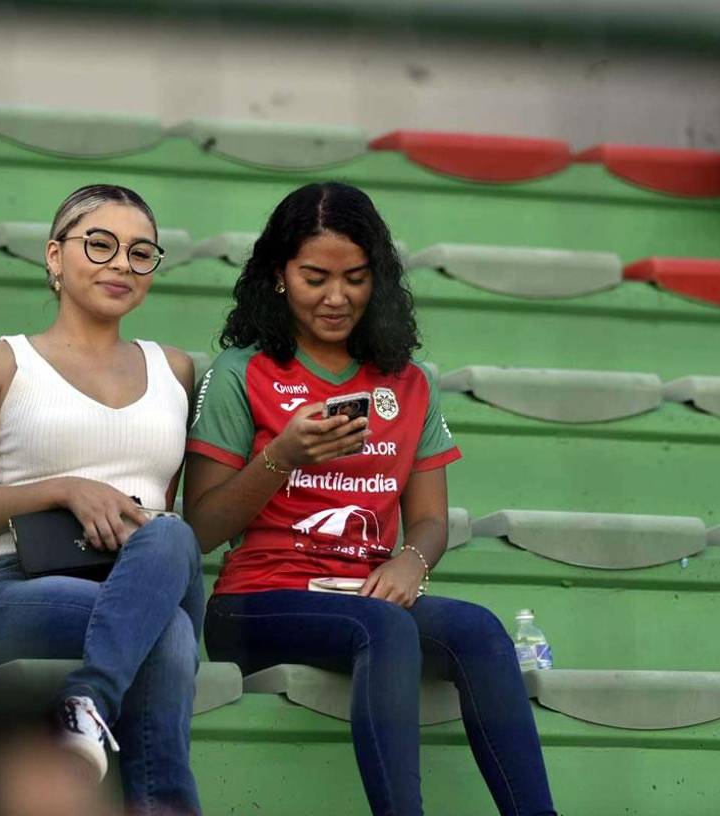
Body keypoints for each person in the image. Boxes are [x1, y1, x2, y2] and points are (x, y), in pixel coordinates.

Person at [183, 182, 557, 816]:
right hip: (256, 604)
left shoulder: (409, 383)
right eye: (315, 278)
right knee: (382, 628)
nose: (337, 297)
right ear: (279, 276)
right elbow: (197, 530)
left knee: (481, 631)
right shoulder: (240, 373)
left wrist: (413, 560)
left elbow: (431, 518)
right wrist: (283, 457)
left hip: (367, 597)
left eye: (356, 278)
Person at [0, 185, 204, 815]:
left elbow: (177, 511)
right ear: (55, 256)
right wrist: (66, 489)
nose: (121, 265)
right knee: (169, 635)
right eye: (100, 245)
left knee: (170, 534)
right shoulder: (2, 362)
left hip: (143, 574)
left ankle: (85, 703)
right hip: (18, 585)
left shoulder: (176, 370)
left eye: (141, 254)